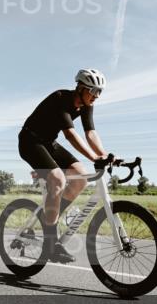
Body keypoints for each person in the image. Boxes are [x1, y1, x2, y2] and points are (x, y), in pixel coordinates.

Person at [18, 69, 110, 263]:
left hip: (49, 142)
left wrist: (104, 155)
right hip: (30, 141)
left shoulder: (86, 105)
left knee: (80, 177)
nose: (97, 96)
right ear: (81, 88)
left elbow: (90, 133)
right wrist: (95, 158)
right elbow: (70, 134)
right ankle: (51, 244)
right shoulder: (61, 98)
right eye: (94, 91)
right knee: (58, 179)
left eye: (100, 91)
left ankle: (50, 217)